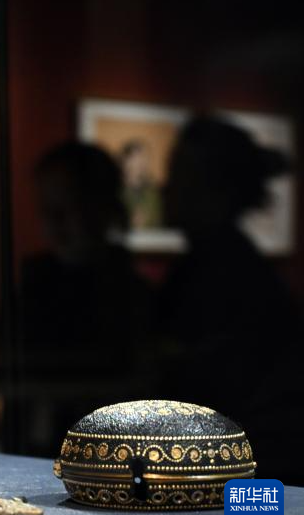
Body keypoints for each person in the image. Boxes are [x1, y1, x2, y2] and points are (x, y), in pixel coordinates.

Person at [158, 114, 302, 482]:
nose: (166, 187)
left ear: (216, 191)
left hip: (244, 466)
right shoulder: (214, 266)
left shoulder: (228, 275)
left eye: (180, 176)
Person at [19, 142, 153, 455]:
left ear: (101, 209)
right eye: (47, 207)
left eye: (69, 206)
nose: (54, 220)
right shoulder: (36, 282)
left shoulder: (124, 291)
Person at [120, 139, 163, 229]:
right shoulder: (116, 188)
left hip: (150, 235)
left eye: (145, 157)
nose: (142, 162)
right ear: (125, 160)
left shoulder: (153, 189)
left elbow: (159, 218)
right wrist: (129, 221)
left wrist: (147, 220)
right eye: (137, 157)